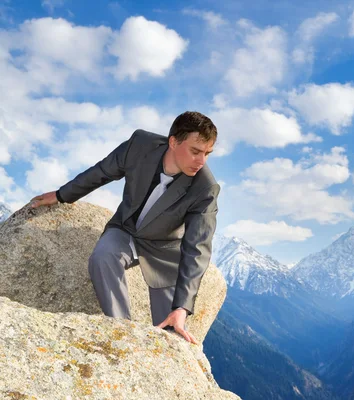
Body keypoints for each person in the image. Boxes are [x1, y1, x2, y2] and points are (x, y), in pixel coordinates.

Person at [30, 111, 220, 345]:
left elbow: (197, 248)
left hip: (164, 250)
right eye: (195, 151)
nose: (201, 161)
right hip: (126, 229)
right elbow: (100, 173)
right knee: (103, 256)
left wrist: (182, 307)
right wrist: (61, 195)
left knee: (172, 331)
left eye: (207, 154)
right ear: (173, 141)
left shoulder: (205, 188)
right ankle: (124, 334)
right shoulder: (139, 145)